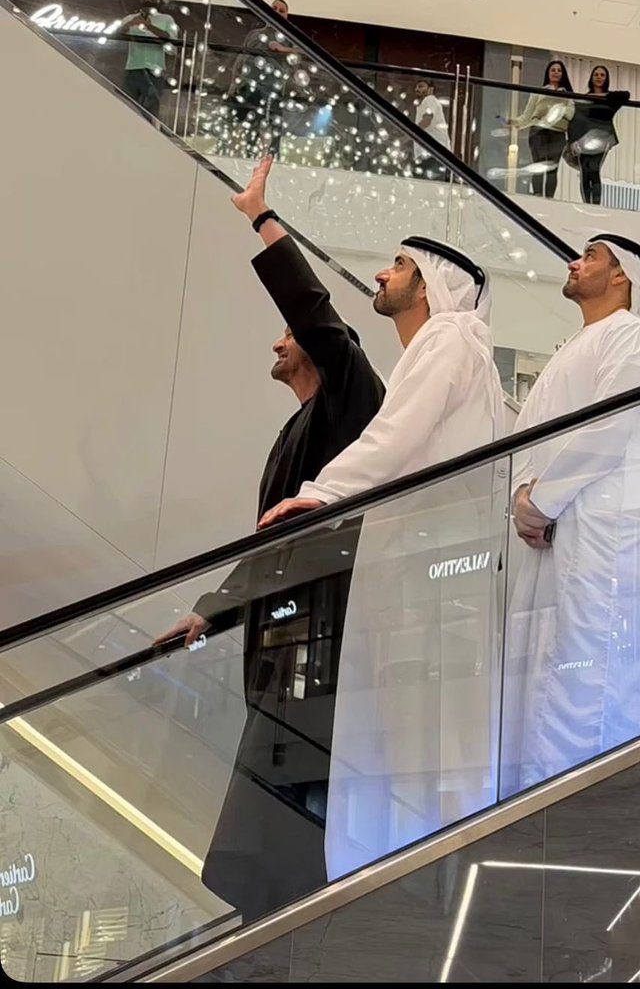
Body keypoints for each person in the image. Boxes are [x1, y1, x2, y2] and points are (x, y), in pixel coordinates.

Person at [154, 155, 384, 923]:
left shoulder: (353, 404)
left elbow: (320, 314)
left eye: (289, 336)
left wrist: (262, 220)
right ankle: (261, 931)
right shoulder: (295, 430)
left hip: (323, 647)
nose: (276, 347)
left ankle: (277, 932)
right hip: (281, 646)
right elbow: (263, 549)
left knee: (286, 817)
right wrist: (208, 613)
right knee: (262, 813)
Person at [258, 237, 507, 879]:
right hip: (418, 571)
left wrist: (321, 493)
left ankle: (420, 883)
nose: (383, 272)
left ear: (427, 284)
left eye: (399, 265)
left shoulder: (450, 340)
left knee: (421, 742)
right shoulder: (434, 352)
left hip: (431, 576)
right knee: (405, 743)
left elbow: (391, 439)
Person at [502, 233, 640, 798]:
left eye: (590, 256)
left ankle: (585, 813)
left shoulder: (633, 338)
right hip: (550, 534)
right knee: (543, 675)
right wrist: (524, 498)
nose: (575, 263)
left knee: (592, 674)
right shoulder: (574, 347)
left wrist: (540, 502)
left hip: (599, 533)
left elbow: (609, 429)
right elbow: (527, 436)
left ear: (621, 277)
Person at [230, 0, 299, 157]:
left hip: (273, 88)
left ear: (286, 16)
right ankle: (249, 155)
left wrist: (282, 49)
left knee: (275, 124)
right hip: (250, 86)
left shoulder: (289, 36)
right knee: (252, 122)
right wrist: (233, 82)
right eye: (274, 8)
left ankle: (273, 157)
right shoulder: (255, 34)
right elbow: (241, 57)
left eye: (281, 10)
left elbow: (301, 52)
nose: (276, 12)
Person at [565, 65, 629, 205]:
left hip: (602, 137)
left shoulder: (610, 99)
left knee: (594, 169)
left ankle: (596, 204)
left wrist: (605, 95)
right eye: (596, 74)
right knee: (585, 171)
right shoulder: (583, 99)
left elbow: (626, 95)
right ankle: (587, 203)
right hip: (584, 138)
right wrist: (572, 141)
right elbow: (575, 120)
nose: (599, 77)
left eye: (602, 75)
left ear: (606, 79)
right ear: (591, 78)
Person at [510, 60, 575, 198]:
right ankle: (538, 195)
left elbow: (570, 114)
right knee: (538, 165)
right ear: (548, 73)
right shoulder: (538, 92)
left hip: (558, 132)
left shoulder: (569, 95)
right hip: (538, 130)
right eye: (553, 70)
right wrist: (513, 122)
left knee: (553, 167)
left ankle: (550, 198)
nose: (556, 72)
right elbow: (527, 116)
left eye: (559, 70)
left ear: (563, 74)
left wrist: (554, 106)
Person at [119, 0, 177, 120]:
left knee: (150, 111)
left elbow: (172, 47)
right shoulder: (129, 19)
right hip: (132, 68)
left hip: (155, 71)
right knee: (126, 107)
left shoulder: (166, 19)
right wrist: (129, 25)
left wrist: (149, 26)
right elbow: (115, 36)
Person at [413, 79, 450, 179]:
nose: (416, 89)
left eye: (421, 86)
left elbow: (427, 119)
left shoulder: (429, 99)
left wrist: (411, 130)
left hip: (432, 154)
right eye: (416, 87)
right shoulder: (426, 103)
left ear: (431, 89)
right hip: (432, 154)